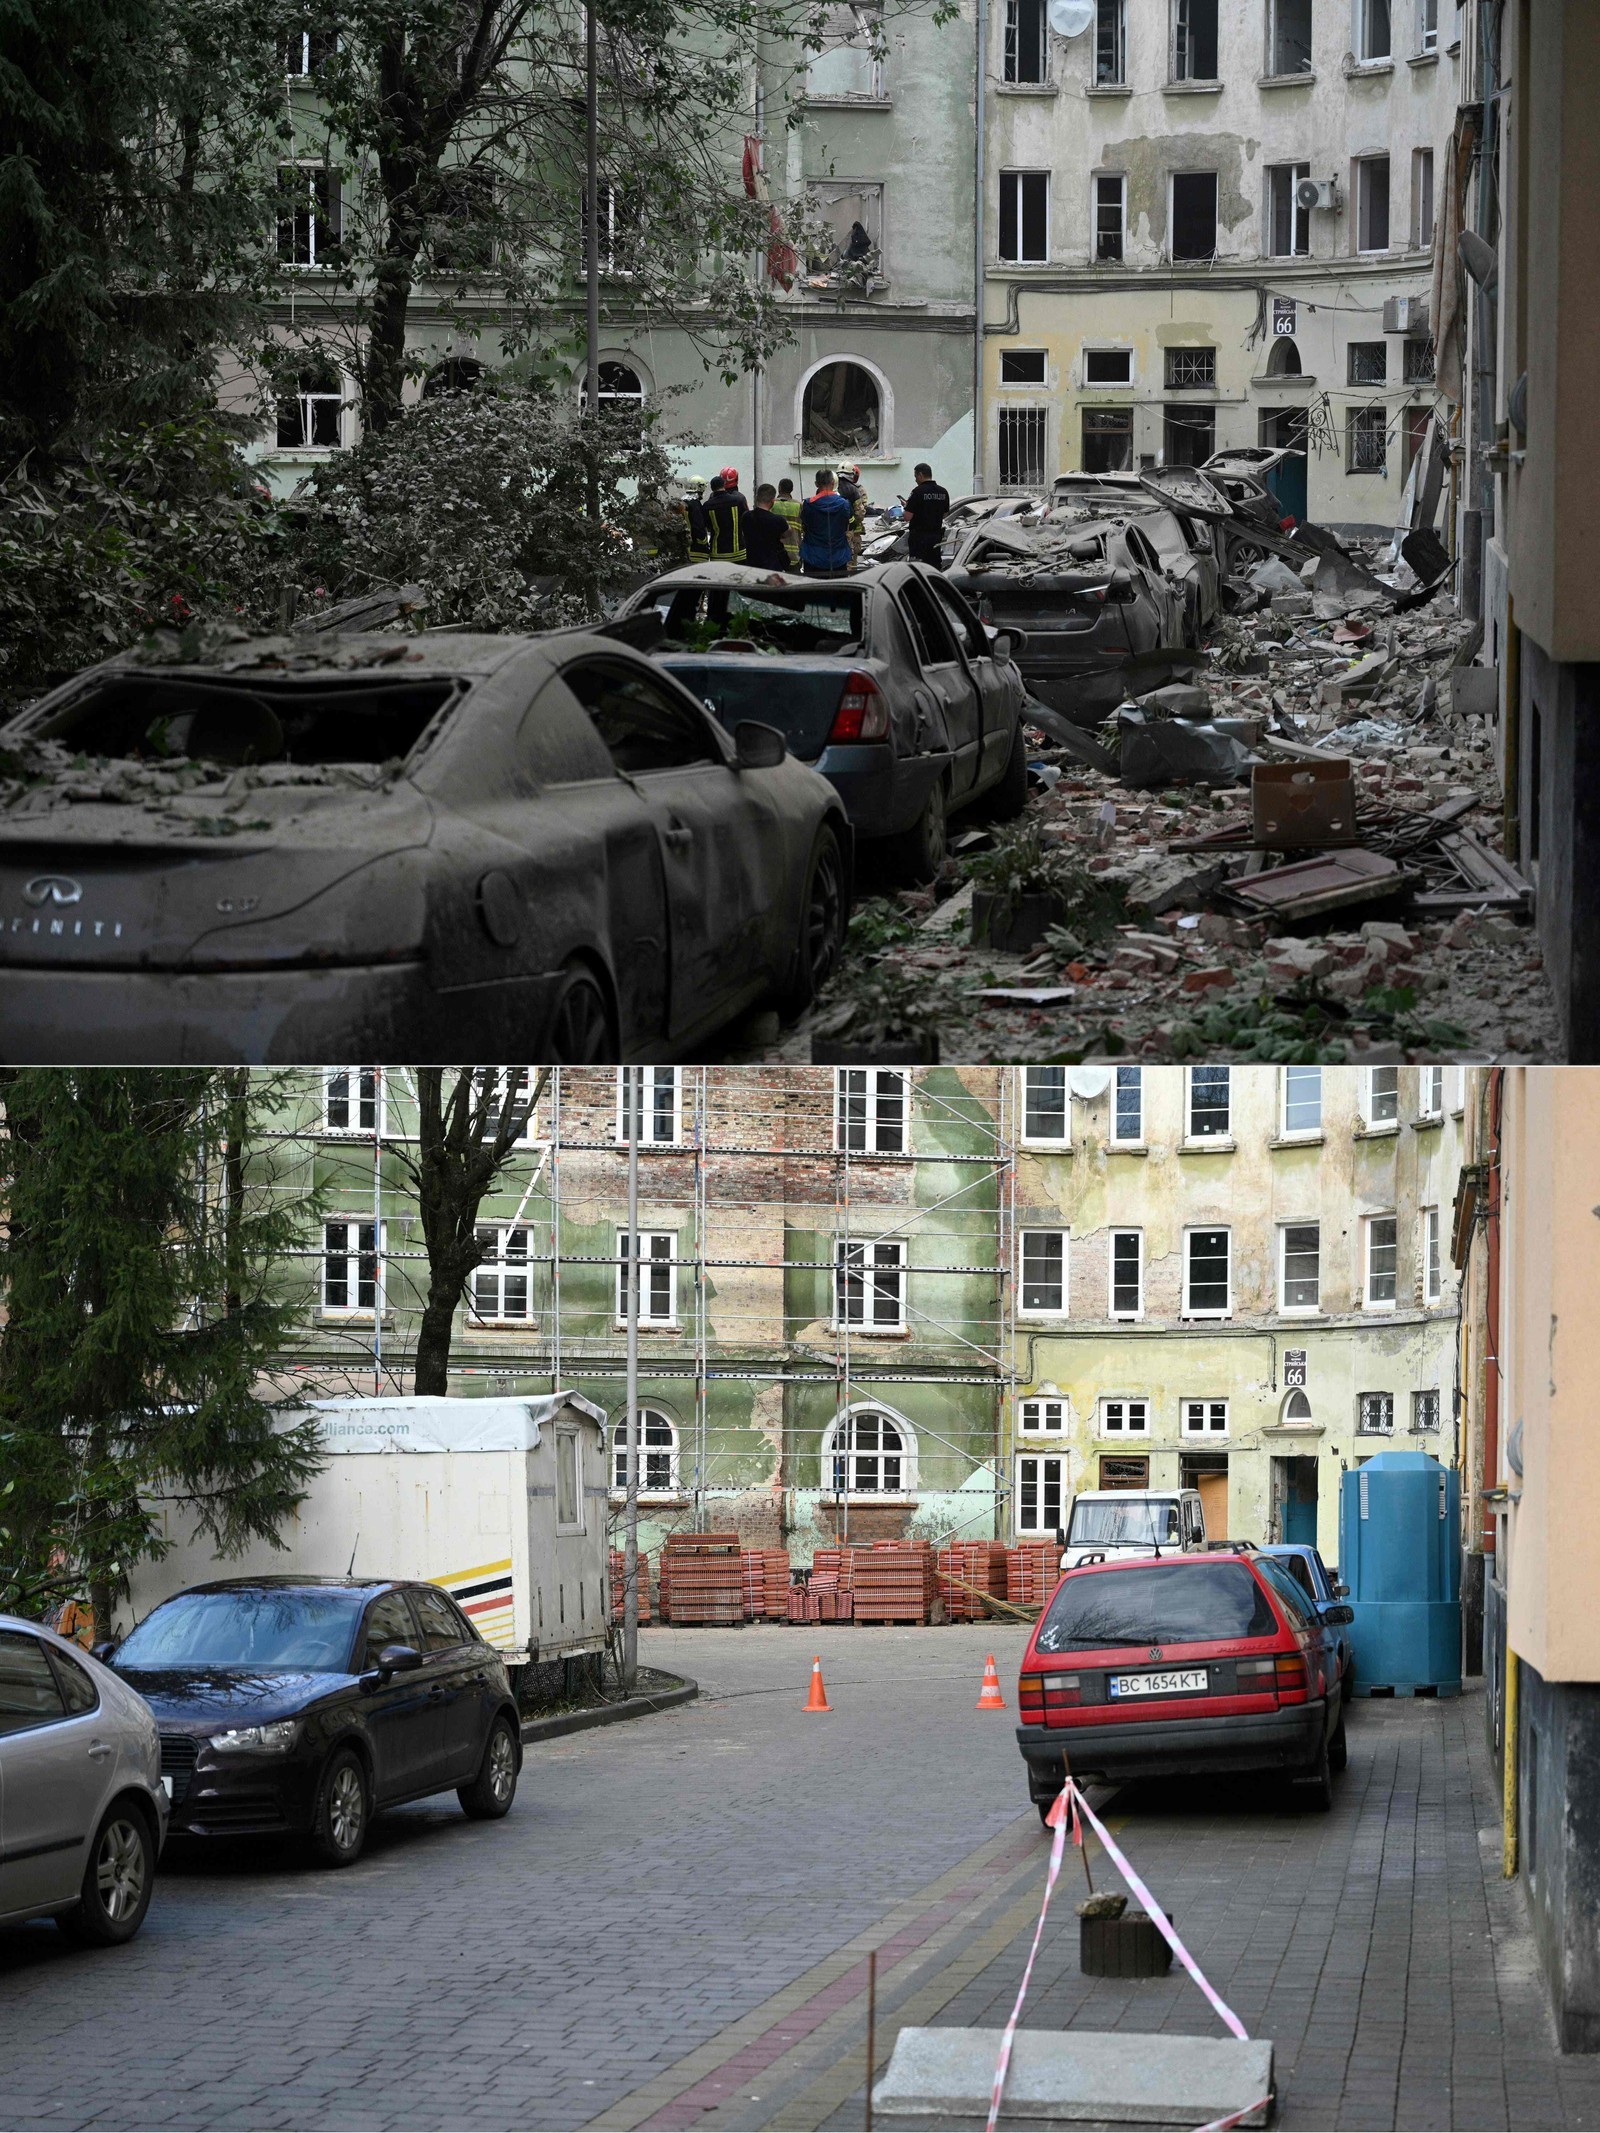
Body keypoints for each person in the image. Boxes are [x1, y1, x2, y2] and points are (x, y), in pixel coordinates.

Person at [799, 468, 854, 577]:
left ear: (816, 484)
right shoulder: (844, 504)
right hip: (838, 557)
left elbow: (804, 525)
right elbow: (850, 525)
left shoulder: (808, 504)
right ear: (833, 483)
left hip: (813, 557)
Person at [904, 461, 951, 568]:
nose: (915, 479)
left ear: (920, 475)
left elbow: (907, 517)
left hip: (919, 539)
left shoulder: (917, 492)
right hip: (936, 537)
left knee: (918, 569)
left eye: (915, 476)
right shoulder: (943, 492)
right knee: (934, 567)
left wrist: (907, 506)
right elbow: (945, 515)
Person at [744, 484, 792, 572]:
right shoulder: (777, 520)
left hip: (751, 566)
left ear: (757, 497)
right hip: (772, 567)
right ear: (773, 500)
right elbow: (788, 533)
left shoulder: (746, 517)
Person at [703, 472, 746, 562]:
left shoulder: (708, 505)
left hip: (718, 554)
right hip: (739, 553)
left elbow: (706, 526)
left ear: (712, 488)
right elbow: (746, 520)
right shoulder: (738, 501)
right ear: (724, 485)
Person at [773, 477, 803, 565]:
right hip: (794, 554)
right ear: (792, 489)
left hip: (776, 554)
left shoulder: (772, 504)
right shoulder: (798, 505)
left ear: (779, 488)